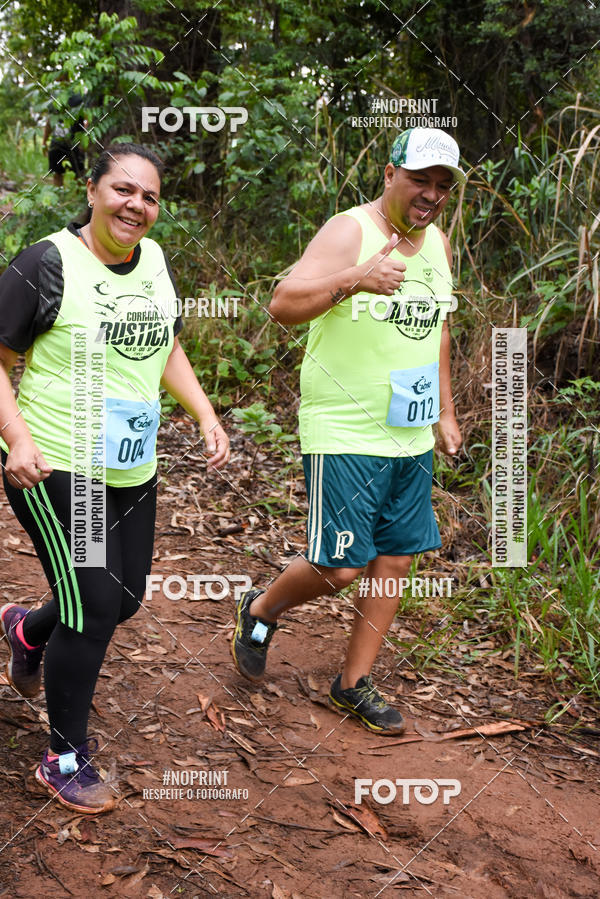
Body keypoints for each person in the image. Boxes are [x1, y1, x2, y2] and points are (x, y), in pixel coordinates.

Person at [0, 143, 229, 813]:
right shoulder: (45, 263)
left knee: (122, 599)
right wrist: (15, 437)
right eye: (123, 189)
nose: (136, 205)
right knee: (96, 605)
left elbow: (168, 345)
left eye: (150, 196)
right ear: (94, 191)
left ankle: (27, 629)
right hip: (57, 465)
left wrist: (206, 412)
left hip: (132, 467)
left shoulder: (153, 260)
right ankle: (63, 756)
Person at [231, 127, 465, 735]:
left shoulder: (435, 242)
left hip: (408, 431)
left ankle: (351, 684)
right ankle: (260, 609)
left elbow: (437, 327)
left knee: (395, 559)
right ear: (390, 175)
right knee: (340, 567)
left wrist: (445, 408)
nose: (431, 194)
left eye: (442, 185)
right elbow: (282, 303)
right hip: (345, 429)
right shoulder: (349, 230)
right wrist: (353, 279)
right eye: (420, 180)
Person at [42, 92, 86, 187]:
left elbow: (87, 119)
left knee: (79, 173)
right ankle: (60, 197)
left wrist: (83, 141)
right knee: (57, 172)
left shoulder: (78, 97)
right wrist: (44, 142)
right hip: (57, 142)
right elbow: (49, 122)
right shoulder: (54, 96)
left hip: (75, 142)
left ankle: (80, 198)